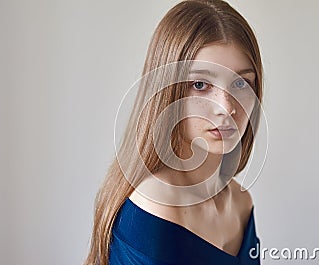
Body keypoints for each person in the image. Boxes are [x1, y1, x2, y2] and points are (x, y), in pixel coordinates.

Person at [84, 0, 264, 264]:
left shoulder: (241, 202)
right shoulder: (156, 204)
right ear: (167, 91)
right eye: (200, 84)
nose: (226, 108)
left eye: (240, 82)